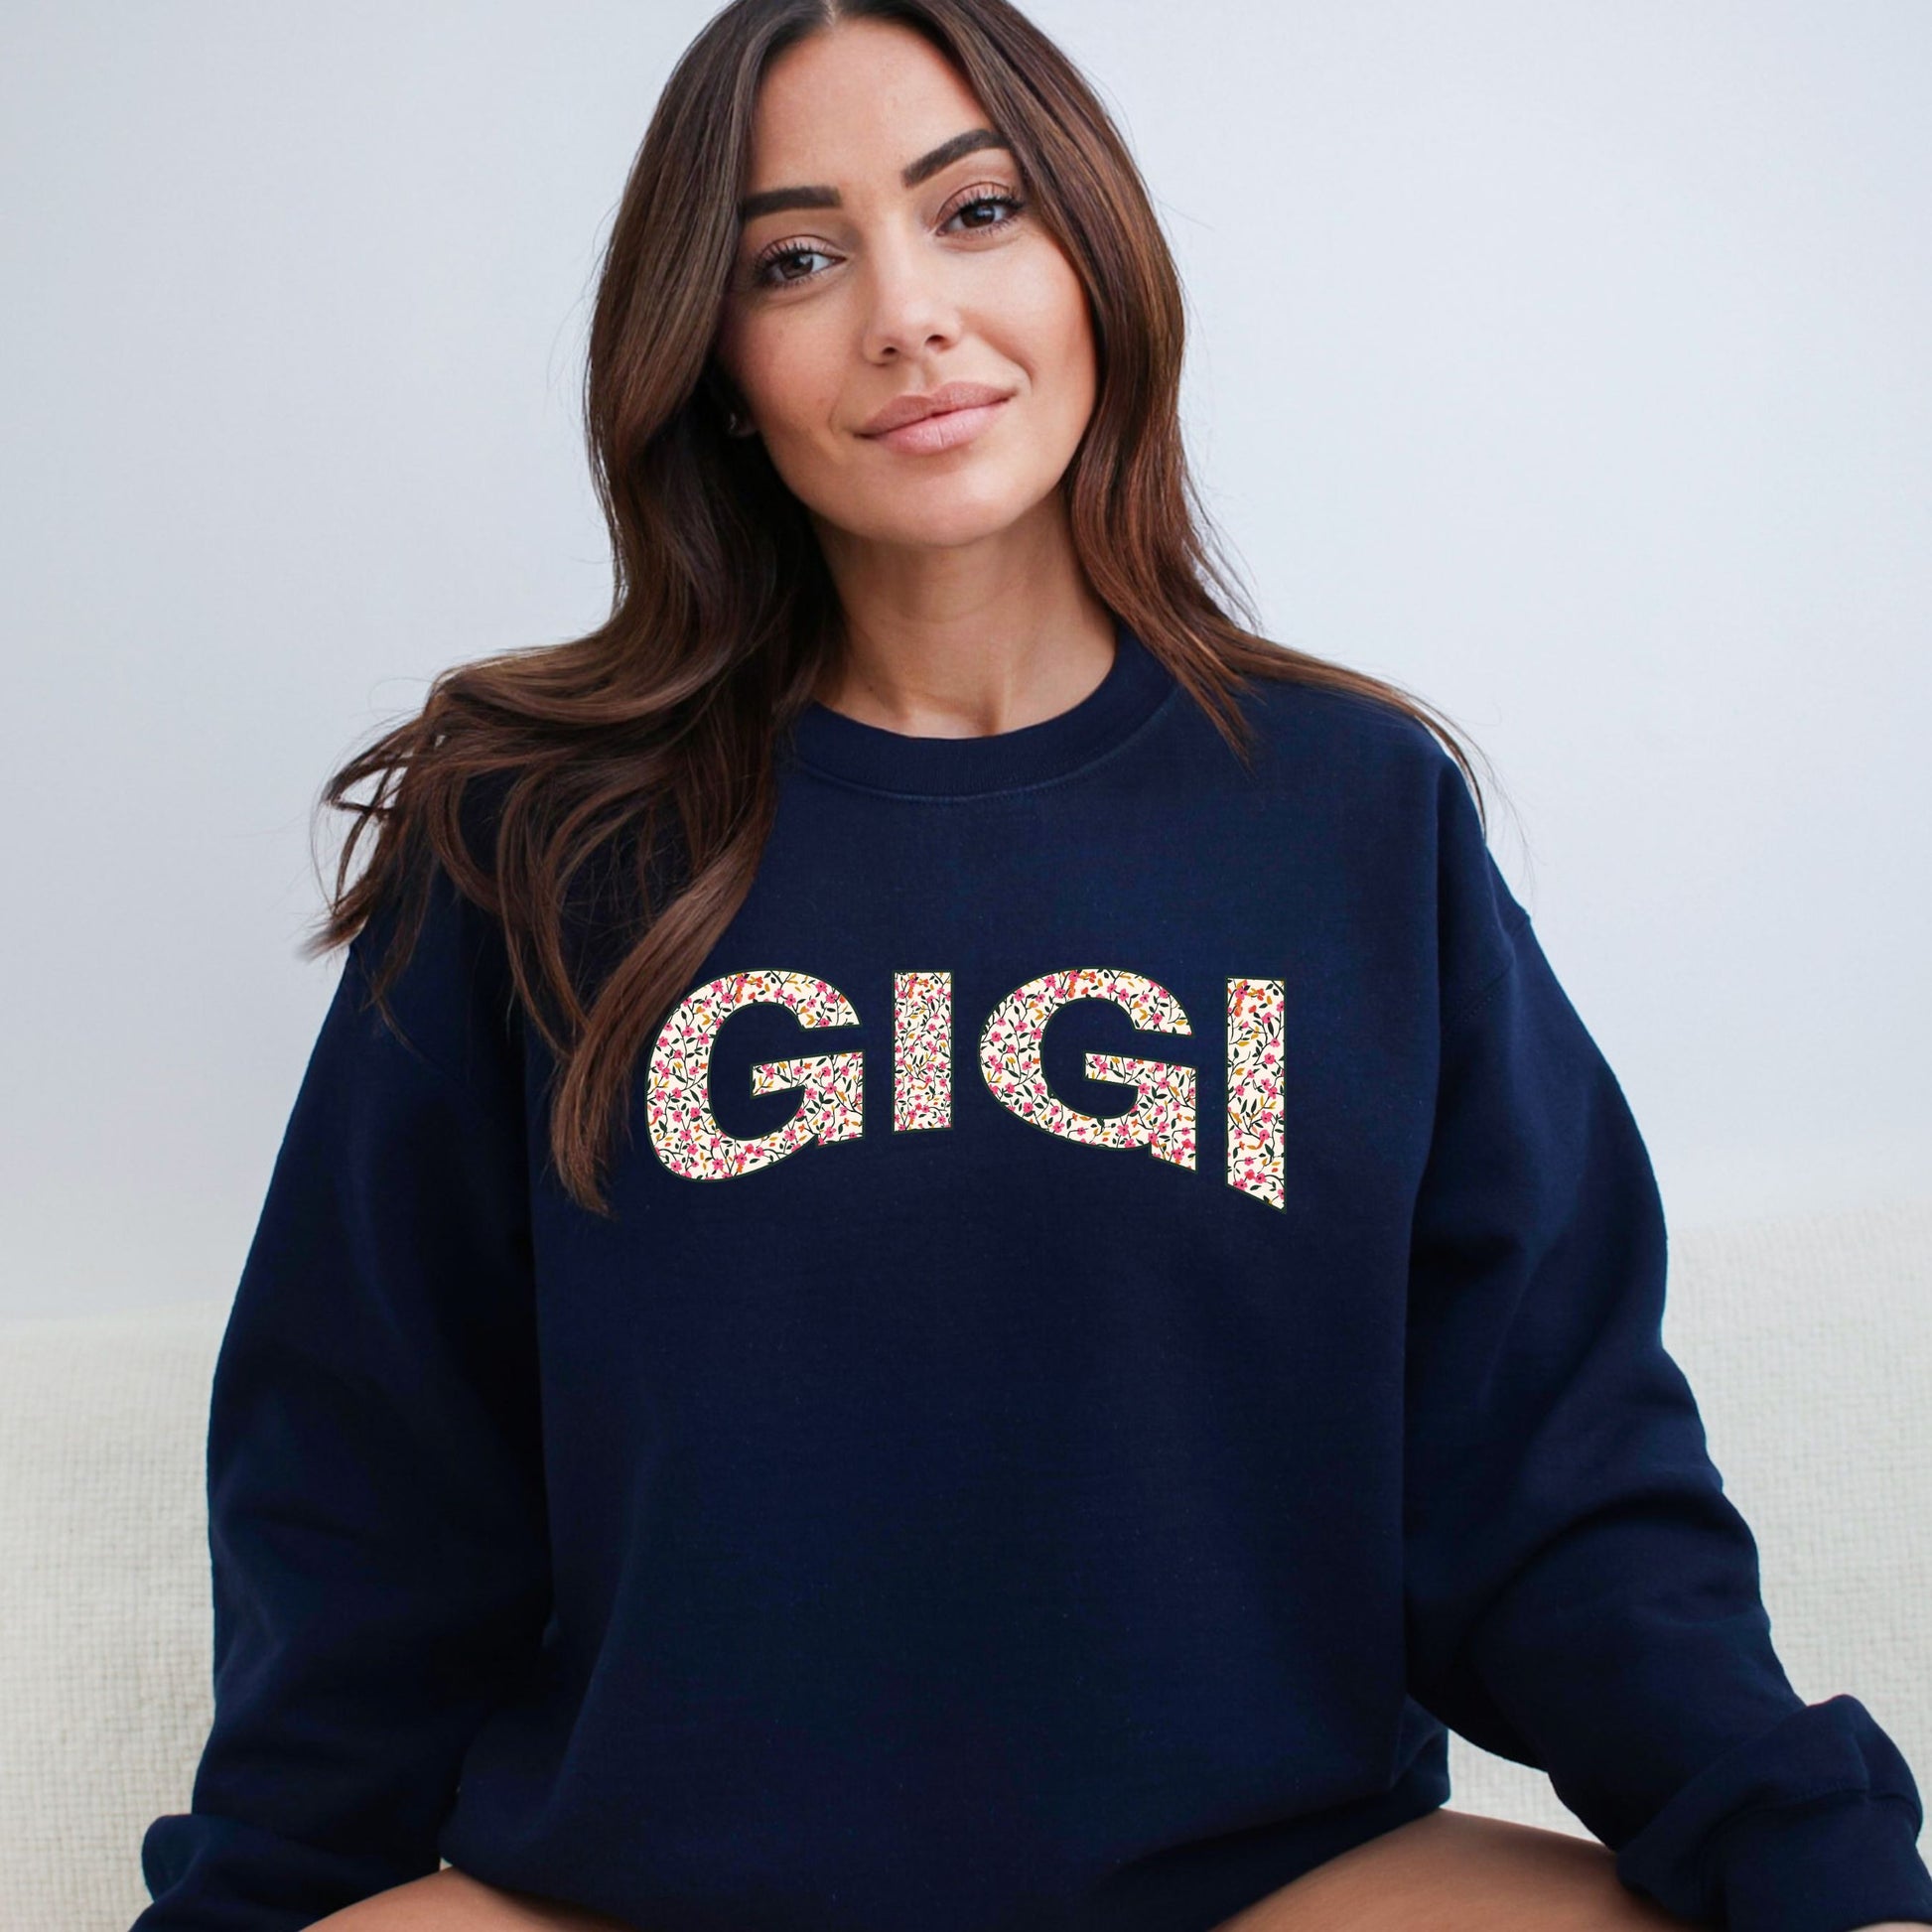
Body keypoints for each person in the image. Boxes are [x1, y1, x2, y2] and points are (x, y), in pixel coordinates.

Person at [133, 3, 1932, 1930]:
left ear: (1096, 261)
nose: (905, 314)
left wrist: (1817, 1868)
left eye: (975, 211)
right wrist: (273, 1887)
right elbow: (365, 1469)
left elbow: (1552, 1467)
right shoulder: (535, 833)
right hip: (646, 1897)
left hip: (1259, 1888)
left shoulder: (1350, 810)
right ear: (714, 362)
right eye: (795, 259)